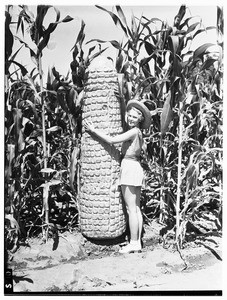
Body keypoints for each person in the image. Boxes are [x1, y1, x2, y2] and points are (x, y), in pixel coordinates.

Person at [84, 99, 151, 253]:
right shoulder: (138, 133)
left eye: (135, 117)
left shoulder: (133, 131)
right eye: (130, 116)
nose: (131, 119)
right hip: (135, 168)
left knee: (131, 209)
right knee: (136, 208)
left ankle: (134, 243)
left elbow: (112, 140)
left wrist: (94, 130)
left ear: (140, 119)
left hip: (129, 168)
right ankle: (137, 242)